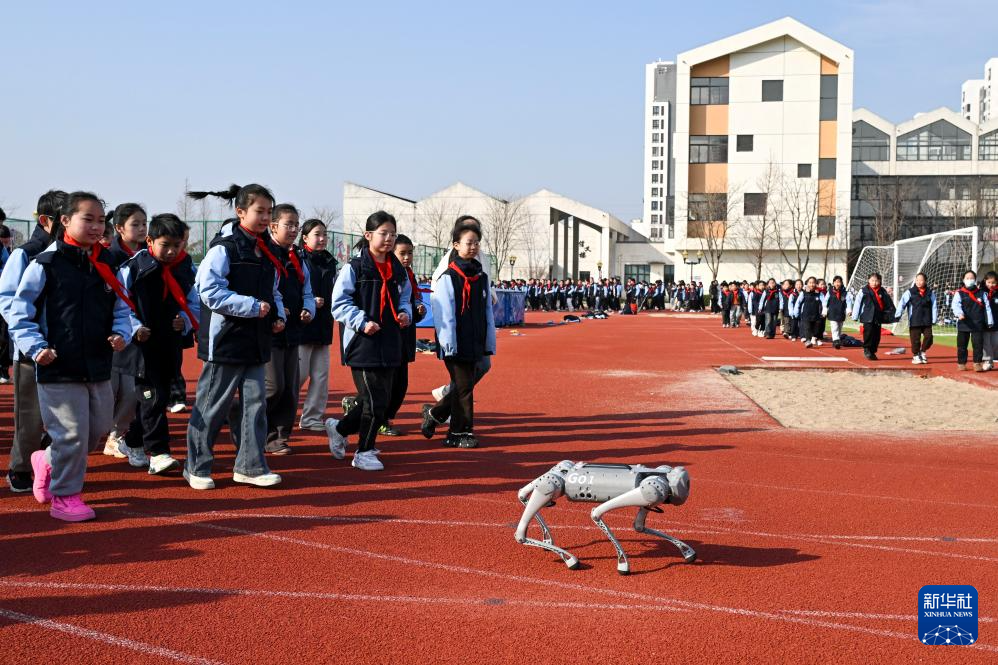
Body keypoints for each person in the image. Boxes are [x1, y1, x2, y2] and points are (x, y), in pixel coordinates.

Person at [8, 192, 139, 521]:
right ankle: (65, 497)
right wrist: (36, 347)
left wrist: (121, 334)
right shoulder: (44, 265)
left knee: (95, 431)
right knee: (71, 434)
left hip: (98, 365)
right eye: (88, 219)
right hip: (57, 366)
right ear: (64, 221)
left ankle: (46, 460)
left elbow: (124, 309)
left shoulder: (109, 265)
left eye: (100, 220)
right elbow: (19, 314)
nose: (96, 227)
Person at [184, 184, 286, 489]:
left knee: (255, 406)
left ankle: (250, 466)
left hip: (256, 340)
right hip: (225, 341)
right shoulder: (223, 248)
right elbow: (208, 292)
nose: (266, 217)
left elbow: (275, 290)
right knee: (212, 406)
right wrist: (253, 307)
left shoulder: (268, 250)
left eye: (269, 212)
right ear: (240, 212)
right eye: (260, 211)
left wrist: (277, 314)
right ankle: (196, 466)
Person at [325, 211, 412, 470]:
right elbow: (339, 303)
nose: (388, 239)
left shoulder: (398, 269)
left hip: (390, 340)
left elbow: (405, 297)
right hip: (363, 342)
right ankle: (364, 452)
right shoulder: (355, 267)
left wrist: (405, 312)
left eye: (392, 234)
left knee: (379, 400)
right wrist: (362, 321)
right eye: (383, 233)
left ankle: (339, 429)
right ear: (368, 235)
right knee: (375, 402)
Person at [117, 213, 198, 474]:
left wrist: (184, 321)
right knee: (151, 396)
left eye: (178, 245)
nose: (172, 251)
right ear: (150, 241)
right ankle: (159, 452)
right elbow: (120, 303)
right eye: (166, 245)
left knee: (158, 397)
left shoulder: (185, 268)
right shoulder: (134, 268)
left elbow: (194, 302)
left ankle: (132, 441)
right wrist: (135, 327)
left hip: (169, 344)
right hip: (141, 347)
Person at [0, 190, 65, 493]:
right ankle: (20, 468)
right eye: (64, 219)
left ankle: (49, 459)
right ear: (46, 220)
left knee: (69, 413)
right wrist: (31, 341)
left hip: (66, 347)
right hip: (31, 351)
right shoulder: (24, 254)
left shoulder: (74, 254)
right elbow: (9, 302)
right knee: (29, 413)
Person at [423, 218, 496, 448]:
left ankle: (436, 414)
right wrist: (448, 344)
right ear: (455, 245)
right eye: (468, 242)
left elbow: (487, 313)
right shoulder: (449, 276)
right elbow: (444, 313)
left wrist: (488, 341)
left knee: (463, 385)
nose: (473, 247)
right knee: (464, 388)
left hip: (475, 340)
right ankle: (458, 432)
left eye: (476, 242)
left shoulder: (481, 276)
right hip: (456, 341)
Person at [263, 204, 315, 455]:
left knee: (291, 390)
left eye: (297, 224)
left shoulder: (298, 257)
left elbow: (307, 291)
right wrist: (277, 312)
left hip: (293, 331)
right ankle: (246, 418)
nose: (294, 229)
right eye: (289, 224)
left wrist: (308, 309)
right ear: (273, 226)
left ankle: (279, 437)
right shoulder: (264, 253)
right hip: (271, 330)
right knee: (274, 386)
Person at [104, 204, 149, 463]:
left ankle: (116, 435)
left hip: (141, 335)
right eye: (136, 224)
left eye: (144, 223)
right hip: (115, 332)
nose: (142, 228)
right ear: (119, 228)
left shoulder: (149, 256)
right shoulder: (109, 257)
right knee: (110, 390)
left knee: (133, 391)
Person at [380, 234, 426, 435]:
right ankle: (382, 420)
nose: (407, 257)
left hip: (406, 335)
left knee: (401, 384)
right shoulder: (389, 274)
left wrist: (418, 310)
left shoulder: (410, 276)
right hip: (389, 335)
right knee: (387, 383)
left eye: (410, 253)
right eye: (402, 253)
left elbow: (412, 301)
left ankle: (378, 413)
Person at [297, 219, 338, 431]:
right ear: (305, 238)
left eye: (325, 234)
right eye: (317, 234)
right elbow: (290, 289)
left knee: (321, 376)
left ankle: (312, 418)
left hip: (323, 325)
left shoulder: (330, 262)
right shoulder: (297, 258)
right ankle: (279, 413)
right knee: (299, 375)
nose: (322, 239)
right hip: (302, 324)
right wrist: (308, 303)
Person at [952, 269, 993, 372]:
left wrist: (990, 321)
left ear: (975, 280)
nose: (970, 280)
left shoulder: (982, 293)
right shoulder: (959, 293)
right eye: (967, 278)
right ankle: (961, 363)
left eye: (972, 278)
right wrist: (959, 313)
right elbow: (955, 305)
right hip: (964, 323)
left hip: (978, 323)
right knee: (962, 345)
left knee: (978, 345)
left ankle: (977, 363)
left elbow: (987, 308)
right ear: (963, 279)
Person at [851, 272, 895, 361]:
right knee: (868, 333)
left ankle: (872, 350)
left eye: (876, 281)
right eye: (872, 280)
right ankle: (867, 349)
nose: (874, 283)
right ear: (868, 281)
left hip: (878, 316)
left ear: (880, 281)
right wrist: (855, 316)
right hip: (867, 316)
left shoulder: (882, 291)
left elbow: (889, 303)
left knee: (876, 335)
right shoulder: (863, 290)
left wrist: (894, 314)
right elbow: (857, 303)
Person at [895, 272, 937, 365]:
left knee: (929, 337)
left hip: (927, 320)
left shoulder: (930, 293)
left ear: (925, 281)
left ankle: (922, 352)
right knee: (915, 340)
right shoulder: (909, 292)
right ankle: (915, 356)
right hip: (914, 320)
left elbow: (934, 306)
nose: (919, 281)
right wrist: (898, 315)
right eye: (917, 279)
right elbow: (902, 303)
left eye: (921, 280)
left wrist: (934, 319)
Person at [793, 277, 823, 348]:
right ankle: (808, 341)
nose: (812, 284)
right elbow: (798, 302)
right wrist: (796, 312)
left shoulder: (819, 293)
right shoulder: (803, 293)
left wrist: (824, 310)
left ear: (816, 284)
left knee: (816, 328)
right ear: (807, 283)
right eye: (810, 282)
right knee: (807, 328)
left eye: (813, 283)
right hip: (806, 314)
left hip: (816, 315)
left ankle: (814, 337)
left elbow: (824, 302)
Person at [825, 275, 851, 350]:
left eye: (839, 282)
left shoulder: (845, 293)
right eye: (836, 282)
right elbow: (826, 301)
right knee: (834, 327)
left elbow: (848, 302)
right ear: (833, 283)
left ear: (842, 283)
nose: (837, 284)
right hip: (832, 312)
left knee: (839, 328)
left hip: (841, 313)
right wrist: (824, 310)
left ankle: (836, 341)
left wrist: (849, 310)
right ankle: (836, 340)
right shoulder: (830, 292)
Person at [982, 271, 998, 371]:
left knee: (995, 343)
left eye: (993, 283)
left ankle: (992, 361)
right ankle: (987, 361)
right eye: (989, 282)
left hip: (996, 323)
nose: (991, 285)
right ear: (985, 281)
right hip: (985, 323)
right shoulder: (981, 292)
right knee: (986, 343)